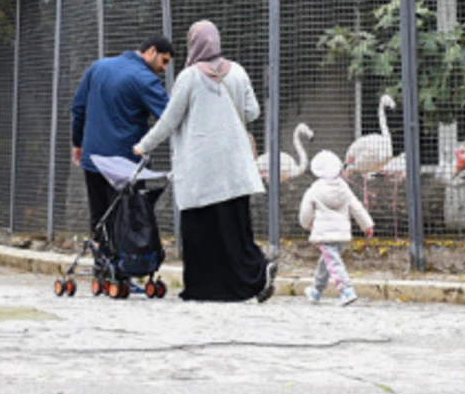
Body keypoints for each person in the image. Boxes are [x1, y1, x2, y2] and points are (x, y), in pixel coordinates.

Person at [133, 20, 275, 302]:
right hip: (234, 168)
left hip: (202, 169)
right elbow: (253, 111)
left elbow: (170, 120)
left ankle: (206, 288)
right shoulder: (238, 72)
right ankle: (254, 277)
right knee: (236, 230)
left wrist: (143, 145)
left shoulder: (189, 77)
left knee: (201, 232)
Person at [71, 35, 173, 241]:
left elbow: (78, 109)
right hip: (125, 165)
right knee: (125, 220)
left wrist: (77, 144)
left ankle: (102, 267)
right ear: (152, 51)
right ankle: (121, 270)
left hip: (93, 159)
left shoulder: (98, 67)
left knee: (99, 217)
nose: (164, 69)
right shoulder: (145, 79)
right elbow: (170, 117)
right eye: (164, 61)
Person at [298, 149, 374, 306]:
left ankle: (347, 290)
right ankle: (316, 290)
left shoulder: (314, 189)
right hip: (342, 232)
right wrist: (367, 225)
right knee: (326, 261)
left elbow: (306, 212)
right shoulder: (344, 188)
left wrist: (307, 225)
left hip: (324, 233)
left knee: (333, 263)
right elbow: (356, 207)